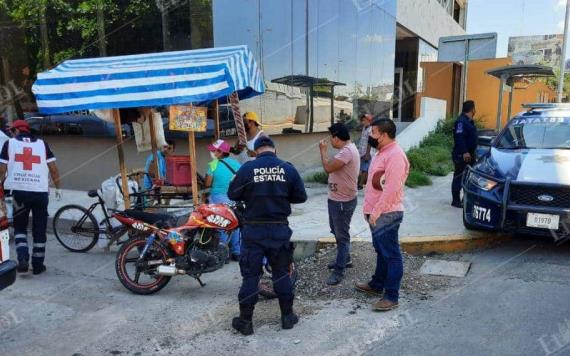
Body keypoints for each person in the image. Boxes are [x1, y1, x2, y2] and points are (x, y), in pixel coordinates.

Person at [228, 136, 307, 336]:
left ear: (255, 151)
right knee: (281, 273)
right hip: (279, 229)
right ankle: (287, 317)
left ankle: (245, 321)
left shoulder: (247, 168)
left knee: (251, 276)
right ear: (274, 149)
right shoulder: (287, 168)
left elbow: (232, 194)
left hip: (253, 230)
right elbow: (301, 196)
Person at [355, 118, 409, 312]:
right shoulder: (382, 152)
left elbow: (392, 189)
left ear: (384, 135)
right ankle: (377, 284)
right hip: (374, 212)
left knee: (392, 254)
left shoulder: (395, 155)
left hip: (387, 214)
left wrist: (376, 213)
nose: (370, 136)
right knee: (381, 251)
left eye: (373, 133)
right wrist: (368, 211)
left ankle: (391, 296)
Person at [0, 119, 61, 275]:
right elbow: (53, 169)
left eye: (12, 131)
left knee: (20, 226)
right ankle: (38, 265)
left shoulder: (9, 144)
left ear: (17, 131)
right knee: (39, 228)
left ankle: (22, 258)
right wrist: (58, 188)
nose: (10, 133)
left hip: (17, 193)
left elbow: (2, 170)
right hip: (40, 194)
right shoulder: (42, 144)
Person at [319, 123, 360, 286]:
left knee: (342, 236)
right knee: (335, 230)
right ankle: (346, 259)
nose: (330, 141)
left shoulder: (347, 151)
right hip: (337, 199)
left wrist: (322, 151)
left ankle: (339, 270)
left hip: (342, 202)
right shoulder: (347, 150)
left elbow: (328, 168)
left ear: (337, 137)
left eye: (331, 138)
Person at [204, 139, 242, 260]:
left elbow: (208, 184)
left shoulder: (213, 164)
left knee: (221, 224)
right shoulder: (237, 164)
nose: (212, 153)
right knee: (235, 224)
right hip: (234, 198)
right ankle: (237, 252)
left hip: (218, 197)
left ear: (220, 152)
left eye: (213, 151)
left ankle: (222, 253)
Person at [451, 100, 477, 208]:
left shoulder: (468, 121)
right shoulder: (461, 122)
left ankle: (464, 199)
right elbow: (459, 138)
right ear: (472, 109)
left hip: (469, 154)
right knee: (459, 177)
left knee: (467, 178)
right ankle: (456, 201)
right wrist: (465, 152)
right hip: (463, 155)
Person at [357, 114, 374, 190]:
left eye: (364, 120)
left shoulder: (371, 129)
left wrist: (367, 154)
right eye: (362, 120)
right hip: (361, 151)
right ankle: (365, 182)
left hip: (367, 153)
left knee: (364, 169)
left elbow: (370, 143)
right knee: (362, 168)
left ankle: (360, 184)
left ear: (369, 121)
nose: (362, 122)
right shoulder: (364, 128)